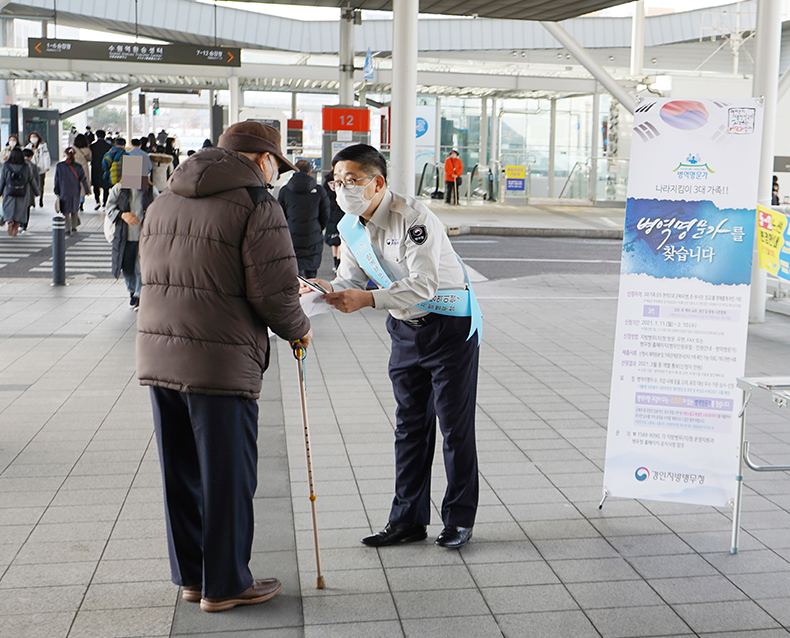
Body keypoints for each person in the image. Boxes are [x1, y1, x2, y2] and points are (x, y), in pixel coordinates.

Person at [136, 120, 312, 612]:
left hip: (159, 354)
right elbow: (275, 290)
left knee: (182, 472)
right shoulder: (257, 203)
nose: (274, 176)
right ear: (262, 160)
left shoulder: (166, 198)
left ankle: (193, 578)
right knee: (228, 476)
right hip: (220, 360)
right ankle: (227, 584)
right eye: (275, 165)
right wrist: (298, 329)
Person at [308, 144, 482, 550]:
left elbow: (424, 285)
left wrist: (367, 300)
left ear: (377, 183)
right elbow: (351, 279)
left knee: (455, 428)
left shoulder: (414, 218)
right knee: (410, 427)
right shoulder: (351, 224)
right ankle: (407, 520)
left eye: (352, 180)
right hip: (404, 329)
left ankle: (459, 519)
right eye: (337, 181)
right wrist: (321, 290)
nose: (342, 188)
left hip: (449, 327)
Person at [106, 178, 158, 309]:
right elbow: (109, 209)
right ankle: (132, 291)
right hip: (125, 236)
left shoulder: (151, 189)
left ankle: (139, 295)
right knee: (127, 267)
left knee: (140, 268)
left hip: (145, 237)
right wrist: (123, 215)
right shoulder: (118, 189)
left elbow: (159, 208)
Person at [278, 160, 329, 279]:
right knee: (311, 273)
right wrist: (317, 228)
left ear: (294, 171)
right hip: (313, 236)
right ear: (310, 172)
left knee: (294, 271)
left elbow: (280, 215)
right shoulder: (319, 191)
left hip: (291, 235)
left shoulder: (285, 190)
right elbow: (325, 214)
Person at [0, 147, 40, 236]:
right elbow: (31, 180)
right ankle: (15, 231)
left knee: (9, 208)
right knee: (20, 212)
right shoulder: (26, 166)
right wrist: (37, 192)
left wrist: (0, 191)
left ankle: (9, 221)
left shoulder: (6, 166)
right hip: (22, 192)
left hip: (8, 192)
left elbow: (2, 180)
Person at [53, 147, 90, 236]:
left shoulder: (59, 166)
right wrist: (87, 190)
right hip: (75, 190)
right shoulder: (78, 166)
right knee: (74, 208)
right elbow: (83, 179)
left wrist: (56, 190)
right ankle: (74, 226)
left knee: (65, 210)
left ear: (65, 154)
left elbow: (56, 180)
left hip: (64, 190)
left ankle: (67, 228)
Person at [323, 169, 345, 272]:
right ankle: (339, 263)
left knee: (333, 241)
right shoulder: (341, 184)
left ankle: (335, 261)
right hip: (341, 214)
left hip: (330, 215)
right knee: (340, 240)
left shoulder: (326, 185)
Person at [25, 132, 51, 208]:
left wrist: (47, 166)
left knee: (41, 184)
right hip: (31, 168)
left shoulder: (43, 146)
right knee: (32, 184)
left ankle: (40, 198)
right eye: (31, 137)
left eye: (34, 136)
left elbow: (46, 156)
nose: (33, 138)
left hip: (41, 168)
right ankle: (32, 200)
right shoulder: (28, 147)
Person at [90, 130, 112, 209]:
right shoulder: (109, 146)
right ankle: (105, 202)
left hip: (95, 168)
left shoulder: (92, 146)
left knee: (96, 185)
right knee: (106, 186)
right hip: (106, 167)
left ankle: (97, 201)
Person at [72, 134, 92, 212]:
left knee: (74, 184)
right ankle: (81, 203)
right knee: (83, 186)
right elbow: (90, 158)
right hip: (84, 168)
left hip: (74, 167)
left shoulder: (73, 148)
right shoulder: (87, 149)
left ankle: (75, 202)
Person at [21, 148, 39, 232]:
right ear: (31, 156)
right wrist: (37, 192)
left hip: (17, 191)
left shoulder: (17, 164)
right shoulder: (33, 166)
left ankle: (19, 223)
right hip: (29, 191)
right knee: (27, 208)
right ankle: (24, 224)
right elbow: (35, 180)